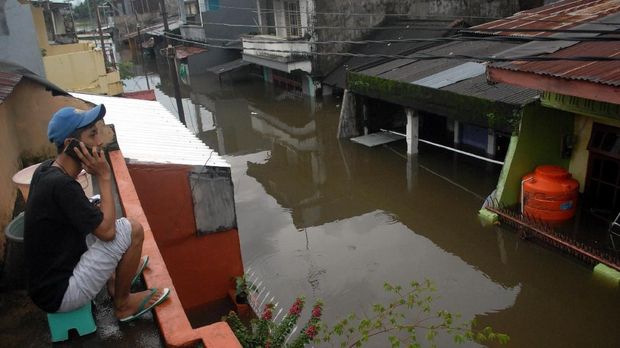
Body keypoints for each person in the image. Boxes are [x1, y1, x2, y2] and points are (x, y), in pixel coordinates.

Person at [24, 104, 169, 322]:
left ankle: (113, 278)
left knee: (95, 205)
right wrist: (104, 176)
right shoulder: (62, 185)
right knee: (132, 230)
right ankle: (123, 304)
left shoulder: (46, 170)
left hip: (46, 285)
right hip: (60, 294)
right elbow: (108, 233)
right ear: (70, 145)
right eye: (92, 135)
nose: (99, 142)